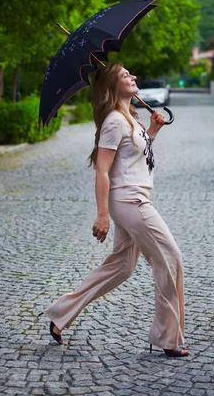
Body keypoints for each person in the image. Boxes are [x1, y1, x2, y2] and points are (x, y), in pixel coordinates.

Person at [42, 63, 188, 357]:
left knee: (121, 268)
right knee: (170, 258)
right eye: (125, 75)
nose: (133, 77)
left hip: (134, 198)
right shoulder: (113, 121)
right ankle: (167, 338)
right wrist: (102, 214)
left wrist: (153, 131)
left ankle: (60, 314)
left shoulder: (130, 117)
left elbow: (134, 159)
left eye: (132, 74)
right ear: (112, 86)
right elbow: (103, 170)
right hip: (130, 201)